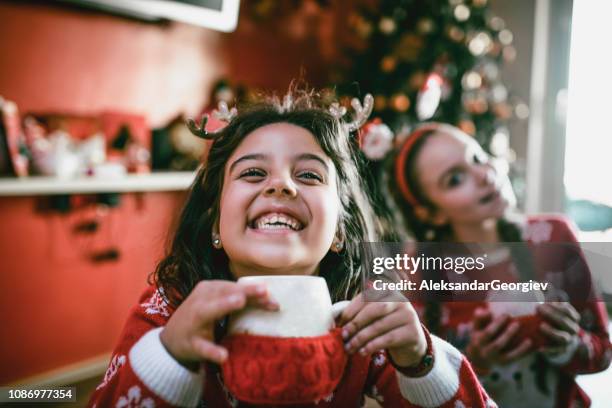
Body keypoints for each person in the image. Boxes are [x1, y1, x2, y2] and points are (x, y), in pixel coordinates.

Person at [88, 91, 495, 408]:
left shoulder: (361, 324)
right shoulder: (169, 310)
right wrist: (168, 354)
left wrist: (421, 360)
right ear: (214, 223)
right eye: (252, 172)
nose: (281, 185)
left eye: (308, 174)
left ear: (339, 231)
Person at [384, 122, 611, 407]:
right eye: (455, 179)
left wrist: (569, 345)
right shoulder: (417, 274)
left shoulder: (554, 237)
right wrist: (476, 366)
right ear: (430, 214)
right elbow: (413, 393)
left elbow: (603, 352)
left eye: (477, 158)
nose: (483, 174)